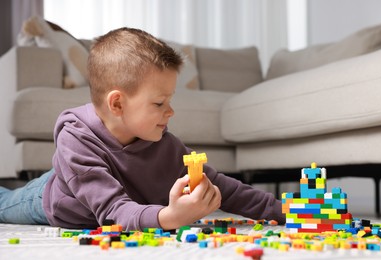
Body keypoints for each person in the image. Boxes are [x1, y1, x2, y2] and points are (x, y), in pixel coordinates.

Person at [0, 27, 285, 231]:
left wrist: (284, 211)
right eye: (160, 103)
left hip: (112, 202)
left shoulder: (165, 145)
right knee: (6, 205)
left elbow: (224, 188)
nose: (170, 112)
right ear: (117, 104)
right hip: (57, 199)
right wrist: (169, 217)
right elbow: (112, 212)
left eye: (169, 101)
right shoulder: (76, 140)